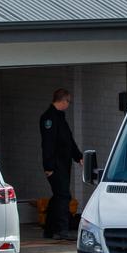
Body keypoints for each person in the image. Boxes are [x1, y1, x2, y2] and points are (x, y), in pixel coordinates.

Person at [40, 88, 82, 240]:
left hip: (63, 164)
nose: (68, 104)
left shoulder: (60, 118)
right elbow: (48, 144)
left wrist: (78, 157)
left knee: (58, 196)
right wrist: (49, 166)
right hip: (55, 165)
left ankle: (49, 229)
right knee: (64, 195)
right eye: (68, 101)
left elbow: (68, 141)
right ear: (62, 101)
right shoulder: (49, 119)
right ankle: (61, 229)